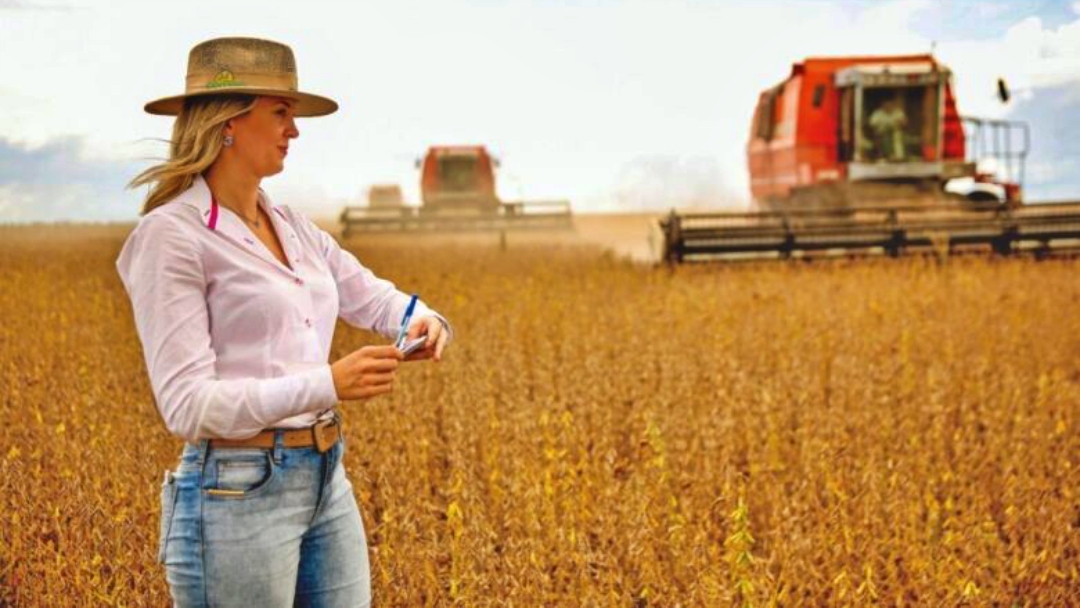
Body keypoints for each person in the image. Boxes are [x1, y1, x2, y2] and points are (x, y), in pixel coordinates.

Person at [115, 36, 453, 607]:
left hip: (325, 475)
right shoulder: (170, 237)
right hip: (235, 491)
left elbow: (372, 297)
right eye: (280, 113)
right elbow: (187, 405)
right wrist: (330, 383)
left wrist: (422, 318)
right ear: (228, 122)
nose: (293, 130)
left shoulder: (292, 225)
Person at [868, 97, 908, 161]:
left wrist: (901, 123)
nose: (888, 106)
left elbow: (904, 123)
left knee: (897, 136)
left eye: (890, 104)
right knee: (882, 138)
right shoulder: (877, 113)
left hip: (895, 133)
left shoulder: (898, 112)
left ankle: (899, 156)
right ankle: (882, 156)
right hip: (880, 133)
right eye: (886, 104)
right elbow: (872, 125)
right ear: (883, 105)